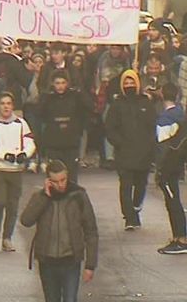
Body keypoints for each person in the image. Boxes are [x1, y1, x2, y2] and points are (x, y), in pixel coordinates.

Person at [20, 160, 98, 302]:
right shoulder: (41, 197)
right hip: (47, 261)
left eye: (63, 180)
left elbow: (91, 231)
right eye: (56, 181)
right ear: (49, 180)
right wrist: (44, 196)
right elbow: (26, 221)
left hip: (71, 260)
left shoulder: (78, 196)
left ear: (67, 176)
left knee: (70, 299)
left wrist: (90, 265)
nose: (60, 184)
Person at [0, 92, 36, 251]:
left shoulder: (21, 123)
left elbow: (29, 142)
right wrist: (1, 156)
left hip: (16, 170)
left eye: (9, 103)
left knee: (12, 205)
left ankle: (7, 237)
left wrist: (24, 154)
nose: (6, 107)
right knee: (0, 200)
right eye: (2, 103)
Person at [105, 69, 156, 230]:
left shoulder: (145, 103)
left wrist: (149, 146)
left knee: (140, 184)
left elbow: (152, 126)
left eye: (132, 82)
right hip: (124, 152)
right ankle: (130, 218)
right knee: (125, 185)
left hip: (143, 152)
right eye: (126, 83)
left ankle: (135, 208)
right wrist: (119, 143)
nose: (129, 85)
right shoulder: (117, 104)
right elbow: (110, 128)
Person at [39, 70, 92, 183]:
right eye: (57, 83)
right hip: (53, 144)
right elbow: (40, 114)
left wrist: (80, 130)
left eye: (63, 83)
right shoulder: (47, 98)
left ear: (67, 83)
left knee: (72, 178)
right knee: (54, 178)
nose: (60, 86)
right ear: (53, 83)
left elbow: (89, 108)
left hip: (71, 143)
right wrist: (45, 96)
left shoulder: (75, 97)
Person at [155, 83, 187, 254]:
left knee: (172, 201)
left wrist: (159, 169)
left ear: (161, 94)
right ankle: (178, 237)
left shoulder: (165, 119)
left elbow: (163, 146)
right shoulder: (181, 114)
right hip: (176, 164)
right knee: (173, 200)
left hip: (168, 165)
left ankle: (181, 238)